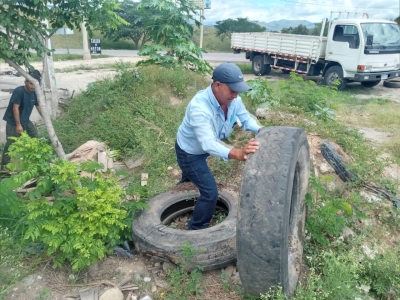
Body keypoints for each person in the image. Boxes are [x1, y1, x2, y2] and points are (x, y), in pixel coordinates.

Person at [175, 62, 263, 230]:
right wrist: (237, 153)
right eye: (232, 90)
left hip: (202, 148)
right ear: (217, 85)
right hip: (189, 153)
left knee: (190, 179)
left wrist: (260, 129)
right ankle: (197, 229)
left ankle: (182, 191)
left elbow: (245, 118)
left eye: (237, 91)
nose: (236, 95)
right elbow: (208, 143)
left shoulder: (232, 100)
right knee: (210, 193)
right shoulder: (199, 108)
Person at [1, 70, 42, 170]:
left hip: (26, 121)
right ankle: (4, 166)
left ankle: (37, 161)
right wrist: (18, 125)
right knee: (11, 144)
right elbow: (15, 108)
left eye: (35, 84)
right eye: (30, 83)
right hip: (13, 122)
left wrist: (46, 118)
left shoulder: (35, 93)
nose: (32, 86)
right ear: (25, 82)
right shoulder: (19, 91)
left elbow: (38, 106)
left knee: (36, 138)